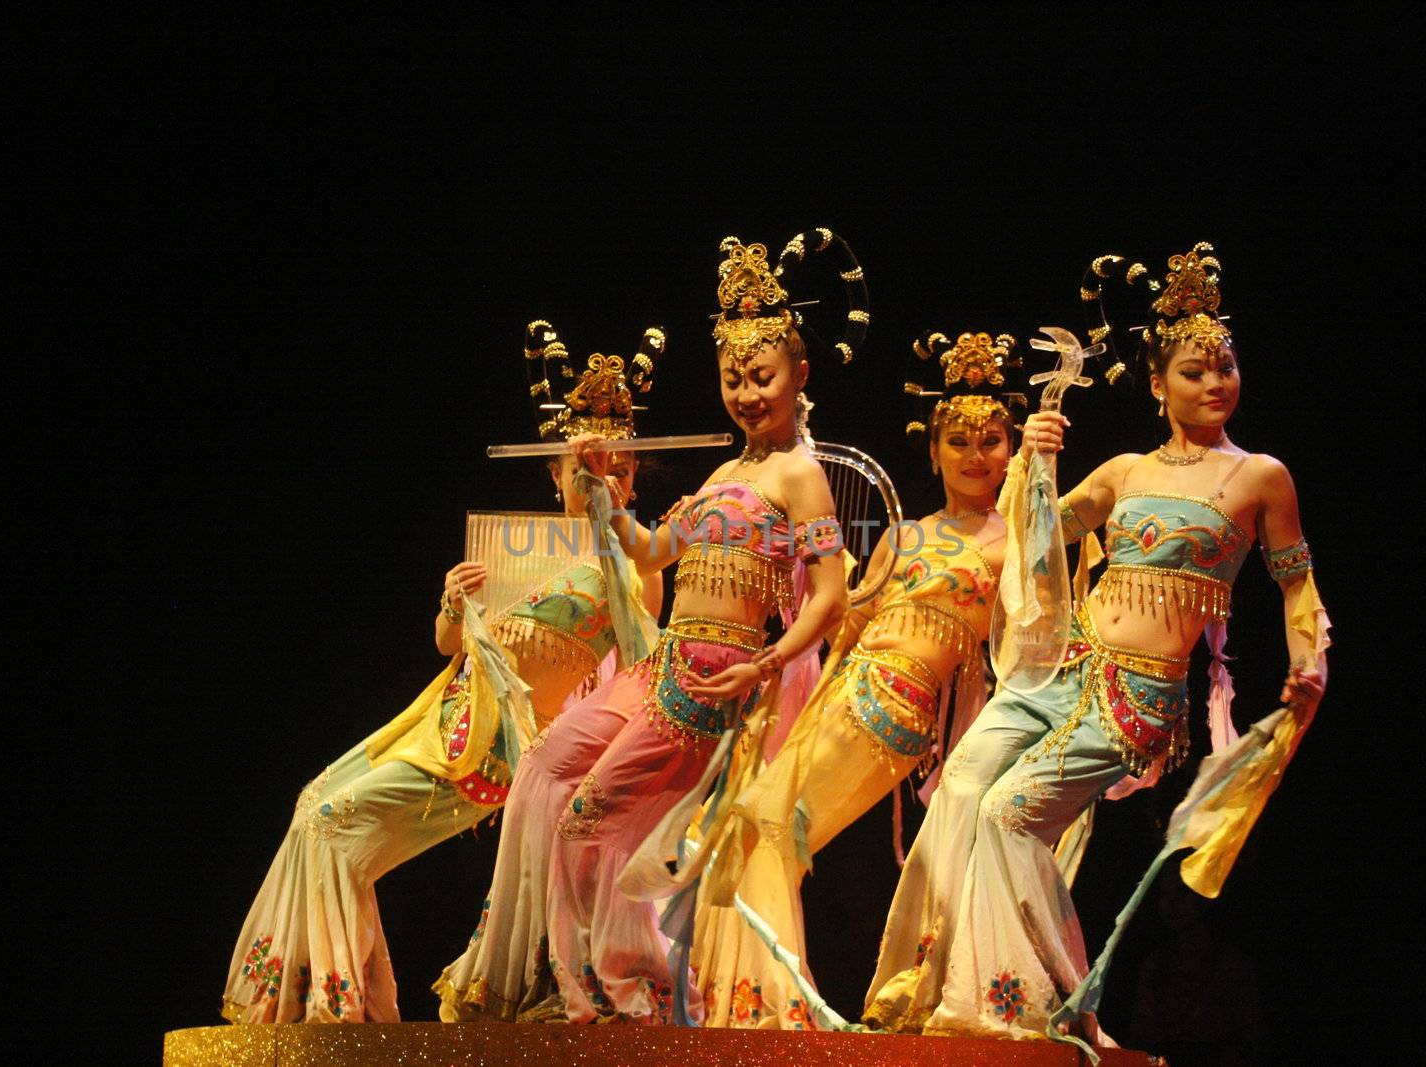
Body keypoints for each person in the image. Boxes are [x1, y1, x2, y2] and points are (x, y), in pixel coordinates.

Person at [862, 243, 1327, 1042]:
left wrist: (1308, 661)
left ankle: (1034, 1006)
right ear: (1157, 385)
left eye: (1224, 367)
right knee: (963, 786)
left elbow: (1297, 585)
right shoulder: (1122, 471)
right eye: (1194, 370)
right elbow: (1024, 537)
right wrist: (1033, 464)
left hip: (1135, 695)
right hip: (1062, 668)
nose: (1214, 382)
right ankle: (924, 976)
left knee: (1010, 817)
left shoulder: (1259, 478)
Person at [435, 230, 865, 1025]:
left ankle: (610, 989)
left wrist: (763, 666)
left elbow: (830, 597)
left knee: (586, 816)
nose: (746, 394)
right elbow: (645, 546)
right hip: (661, 667)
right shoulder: (721, 474)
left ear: (799, 376)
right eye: (734, 378)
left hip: (712, 678)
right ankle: (588, 979)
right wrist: (600, 486)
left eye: (762, 377)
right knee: (550, 770)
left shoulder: (800, 475)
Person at [220, 321, 662, 1023]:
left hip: (498, 746)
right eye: (583, 469)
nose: (602, 479)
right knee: (312, 806)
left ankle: (336, 1015)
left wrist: (606, 517)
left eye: (619, 470)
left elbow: (641, 655)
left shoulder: (633, 567)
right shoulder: (521, 548)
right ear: (553, 477)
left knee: (336, 825)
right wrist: (454, 604)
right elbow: (450, 643)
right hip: (442, 716)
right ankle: (344, 1005)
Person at [690, 330, 1024, 1029]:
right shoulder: (905, 533)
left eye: (991, 439)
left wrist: (1042, 477)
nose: (973, 455)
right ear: (932, 449)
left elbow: (1035, 637)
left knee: (771, 829)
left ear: (1010, 450)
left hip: (895, 709)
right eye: (957, 440)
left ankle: (771, 1014)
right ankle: (732, 1005)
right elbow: (845, 619)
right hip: (838, 693)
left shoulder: (1011, 544)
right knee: (737, 827)